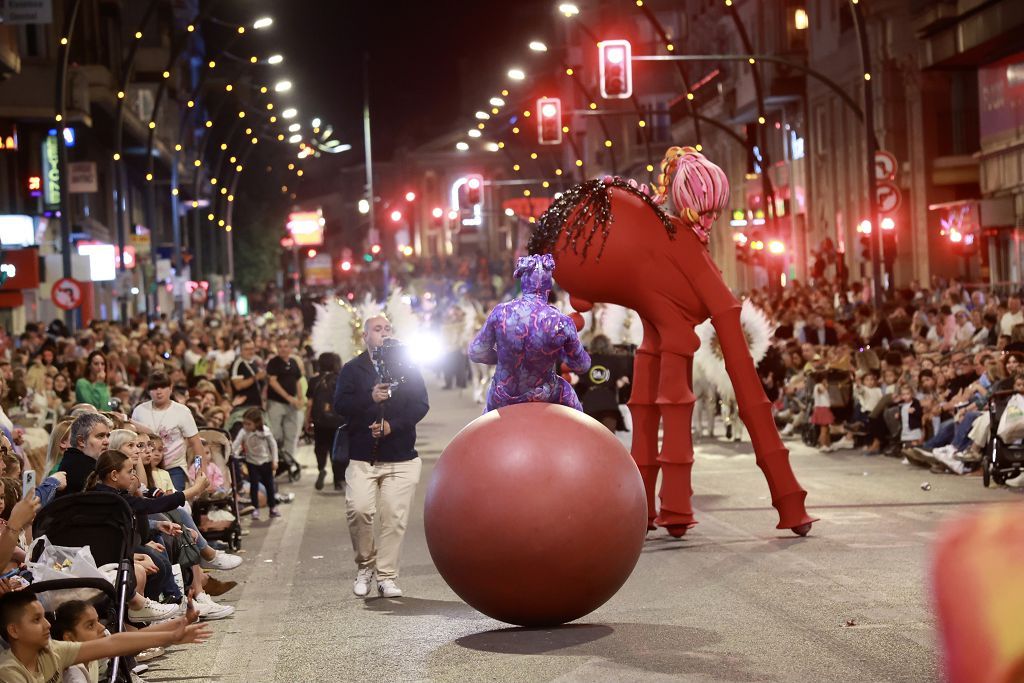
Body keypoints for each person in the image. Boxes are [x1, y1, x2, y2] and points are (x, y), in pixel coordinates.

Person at [334, 315, 429, 599]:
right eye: (377, 329)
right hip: (363, 457)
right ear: (365, 336)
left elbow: (420, 405)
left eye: (388, 329)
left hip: (401, 456)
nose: (384, 333)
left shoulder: (409, 367)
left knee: (394, 519)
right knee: (359, 510)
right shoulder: (353, 369)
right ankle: (365, 566)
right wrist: (369, 398)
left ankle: (387, 576)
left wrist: (392, 426)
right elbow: (340, 404)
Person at [0, 591, 210, 682]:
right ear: (14, 630)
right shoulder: (9, 673)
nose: (47, 624)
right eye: (36, 620)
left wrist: (174, 633)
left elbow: (114, 642)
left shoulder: (53, 650)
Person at [131, 371, 209, 491]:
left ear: (171, 388)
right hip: (146, 468)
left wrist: (200, 472)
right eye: (154, 388)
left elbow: (197, 446)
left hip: (174, 468)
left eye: (163, 387)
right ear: (148, 390)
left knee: (175, 505)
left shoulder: (182, 412)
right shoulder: (139, 411)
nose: (158, 391)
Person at [305, 352, 346, 491]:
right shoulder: (341, 379)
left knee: (321, 447)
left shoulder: (313, 380)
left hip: (320, 421)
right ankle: (338, 479)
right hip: (338, 421)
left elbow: (309, 404)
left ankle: (322, 468)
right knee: (337, 449)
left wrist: (307, 421)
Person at [265, 338, 304, 477]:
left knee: (291, 435)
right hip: (276, 403)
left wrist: (299, 398)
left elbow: (298, 380)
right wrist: (289, 397)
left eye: (285, 346)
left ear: (290, 347)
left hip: (292, 405)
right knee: (275, 434)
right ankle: (273, 464)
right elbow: (272, 382)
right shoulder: (273, 362)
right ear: (277, 348)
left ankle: (289, 464)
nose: (283, 349)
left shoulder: (293, 362)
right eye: (280, 346)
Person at [232, 407, 280, 520]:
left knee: (269, 485)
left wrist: (275, 460)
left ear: (257, 423)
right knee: (254, 485)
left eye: (249, 424)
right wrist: (232, 452)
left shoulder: (265, 432)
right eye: (244, 423)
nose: (246, 426)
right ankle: (255, 508)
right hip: (252, 462)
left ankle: (273, 507)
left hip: (266, 461)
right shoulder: (243, 432)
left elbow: (273, 446)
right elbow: (237, 443)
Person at [55, 413, 112, 496]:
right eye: (100, 436)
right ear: (81, 441)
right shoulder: (81, 469)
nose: (107, 442)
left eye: (107, 436)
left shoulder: (72, 460)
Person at [228, 339, 265, 434]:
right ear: (241, 351)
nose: (250, 351)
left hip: (256, 406)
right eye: (247, 349)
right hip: (244, 407)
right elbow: (238, 386)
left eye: (252, 348)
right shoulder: (237, 364)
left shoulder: (254, 363)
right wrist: (256, 377)